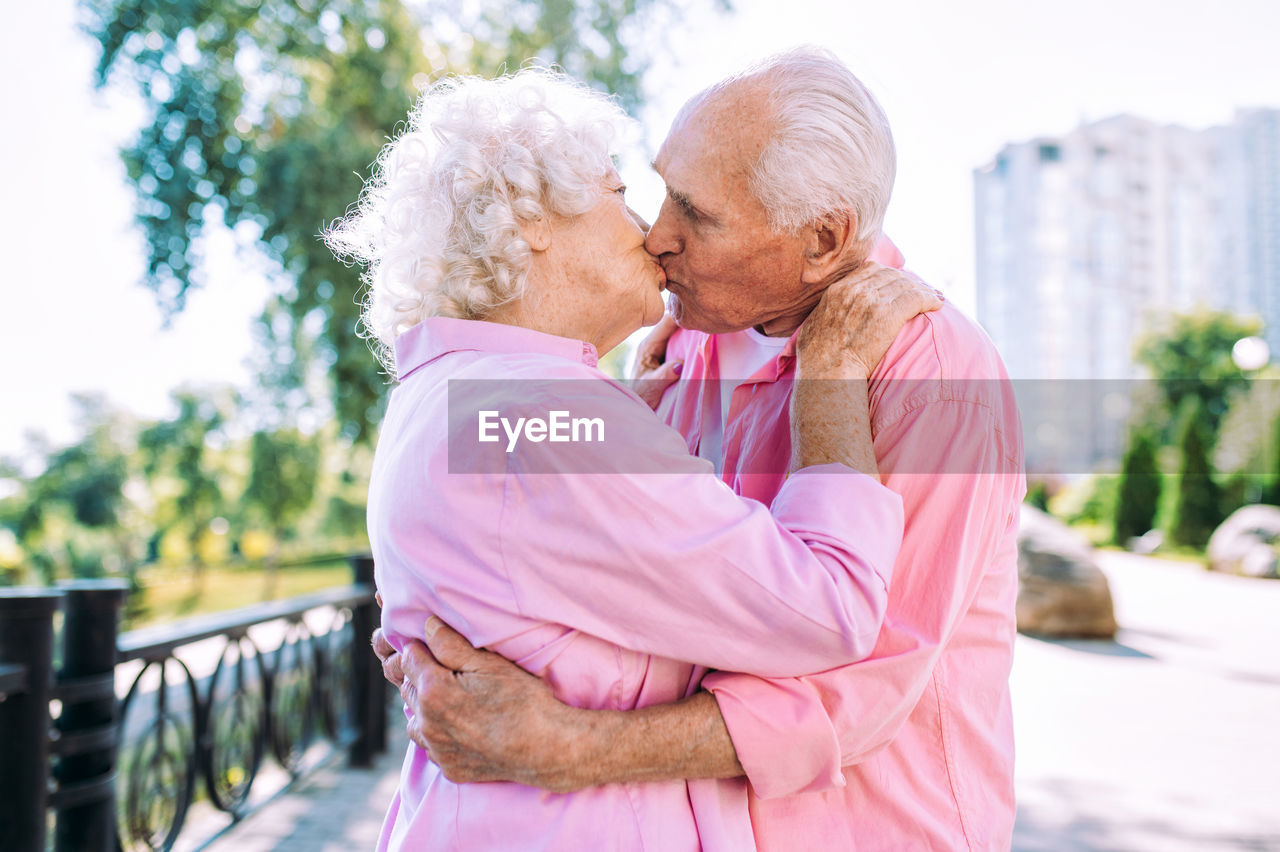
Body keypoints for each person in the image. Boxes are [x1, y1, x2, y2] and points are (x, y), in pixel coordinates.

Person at [375, 47, 1027, 850]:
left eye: (697, 214)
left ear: (823, 239)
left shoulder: (934, 372)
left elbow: (854, 681)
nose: (658, 237)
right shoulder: (669, 352)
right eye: (647, 194)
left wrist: (564, 745)